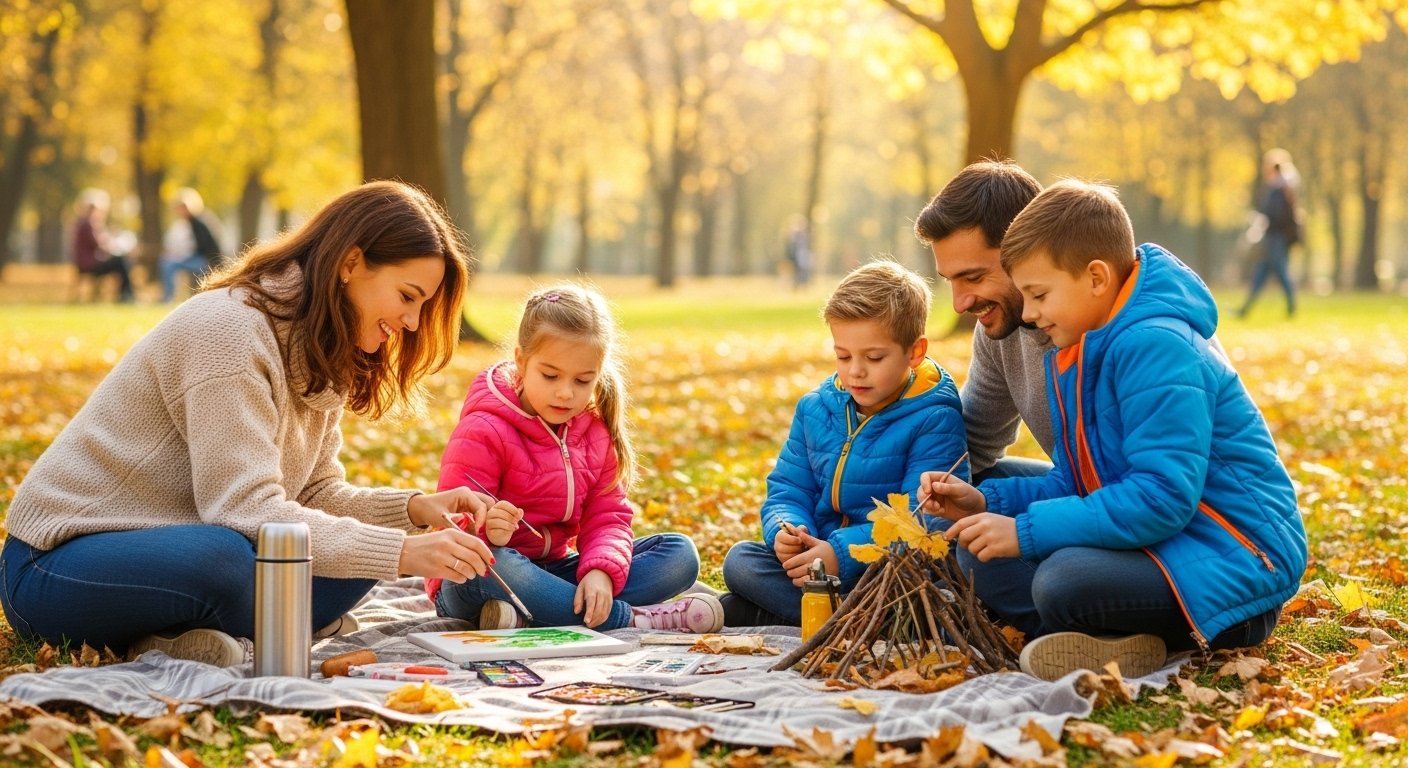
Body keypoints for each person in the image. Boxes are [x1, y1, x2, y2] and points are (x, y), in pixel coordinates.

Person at [1, 181, 496, 667]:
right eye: (408, 296)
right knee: (227, 561)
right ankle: (231, 620)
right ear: (351, 263)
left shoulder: (323, 347)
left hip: (185, 546)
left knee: (356, 548)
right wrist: (403, 553)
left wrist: (412, 510)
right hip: (53, 567)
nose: (411, 321)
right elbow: (244, 508)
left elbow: (315, 493)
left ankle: (170, 638)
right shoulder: (231, 332)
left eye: (422, 306)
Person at [918, 180, 1307, 681]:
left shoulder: (1157, 345)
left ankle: (1099, 631)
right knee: (981, 556)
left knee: (1062, 581)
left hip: (1231, 559)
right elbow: (1079, 477)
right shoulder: (1083, 343)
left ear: (1096, 278)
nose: (1032, 313)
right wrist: (986, 505)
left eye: (1038, 294)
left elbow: (1163, 497)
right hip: (1158, 538)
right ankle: (1106, 641)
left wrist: (1025, 531)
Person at [428, 284, 723, 633]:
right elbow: (451, 525)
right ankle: (629, 618)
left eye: (583, 380)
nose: (566, 392)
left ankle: (536, 612)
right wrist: (488, 529)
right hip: (477, 575)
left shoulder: (594, 431)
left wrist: (600, 572)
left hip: (554, 569)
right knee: (501, 566)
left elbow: (609, 516)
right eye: (550, 376)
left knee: (678, 555)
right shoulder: (484, 429)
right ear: (521, 360)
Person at [720, 260, 968, 626]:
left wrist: (839, 553)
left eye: (874, 357)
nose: (855, 371)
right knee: (741, 561)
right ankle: (854, 619)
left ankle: (823, 616)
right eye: (842, 356)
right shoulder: (816, 409)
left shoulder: (934, 418)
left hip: (888, 571)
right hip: (816, 562)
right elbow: (788, 488)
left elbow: (924, 521)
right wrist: (788, 530)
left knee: (913, 591)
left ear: (914, 352)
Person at [914, 160, 1053, 484]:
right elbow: (967, 448)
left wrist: (1020, 530)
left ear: (1027, 250)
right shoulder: (1000, 334)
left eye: (973, 277)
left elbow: (1147, 490)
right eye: (950, 280)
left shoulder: (1105, 326)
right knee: (942, 482)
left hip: (1147, 513)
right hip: (1086, 495)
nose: (960, 304)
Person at [1238, 148, 1301, 319]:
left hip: (1275, 238)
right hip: (1274, 238)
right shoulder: (1282, 188)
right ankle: (1245, 309)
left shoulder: (1278, 189)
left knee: (1280, 272)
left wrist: (1262, 220)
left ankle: (1292, 307)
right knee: (1261, 272)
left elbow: (1275, 215)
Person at [70, 189, 135, 303]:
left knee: (120, 262)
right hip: (90, 265)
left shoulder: (83, 223)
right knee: (121, 262)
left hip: (87, 263)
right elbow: (100, 245)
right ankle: (126, 294)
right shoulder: (88, 224)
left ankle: (125, 293)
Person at [159, 188, 224, 302]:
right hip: (198, 258)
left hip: (205, 260)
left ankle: (167, 297)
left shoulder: (199, 223)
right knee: (167, 263)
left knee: (168, 265)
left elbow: (203, 246)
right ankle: (168, 296)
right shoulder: (189, 223)